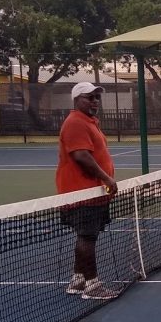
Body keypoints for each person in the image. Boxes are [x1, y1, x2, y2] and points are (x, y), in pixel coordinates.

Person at [56, 82, 119, 300]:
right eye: (89, 97)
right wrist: (107, 178)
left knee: (86, 236)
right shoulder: (75, 123)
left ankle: (79, 279)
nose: (94, 101)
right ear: (76, 100)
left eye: (96, 97)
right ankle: (92, 285)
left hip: (92, 192)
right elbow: (81, 155)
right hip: (81, 193)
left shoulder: (88, 122)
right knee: (87, 237)